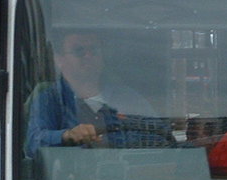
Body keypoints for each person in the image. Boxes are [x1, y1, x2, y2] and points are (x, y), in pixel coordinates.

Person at [24, 30, 159, 156]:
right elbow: (32, 144)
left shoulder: (128, 97)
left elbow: (158, 135)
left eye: (94, 50)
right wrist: (67, 136)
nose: (88, 56)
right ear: (59, 60)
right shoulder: (49, 99)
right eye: (79, 51)